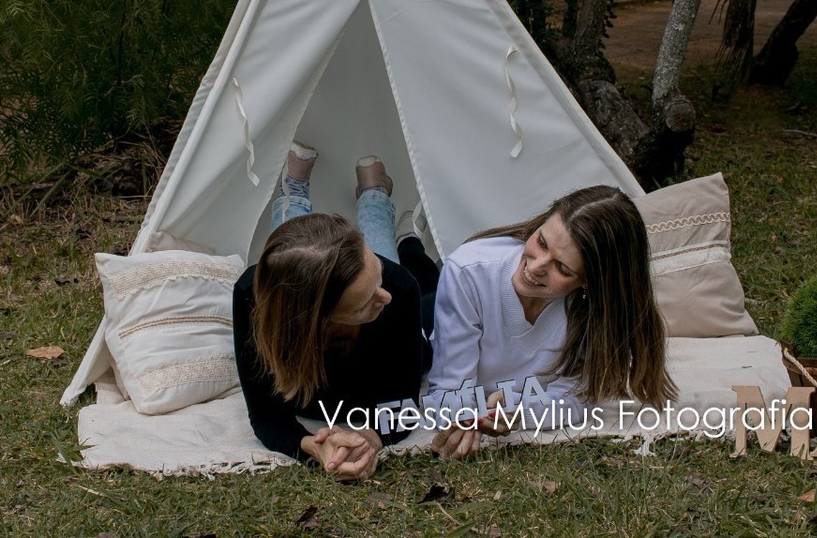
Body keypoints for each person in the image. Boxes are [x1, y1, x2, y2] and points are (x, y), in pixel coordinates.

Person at [232, 142, 439, 481]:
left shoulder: (397, 289)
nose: (384, 298)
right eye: (365, 302)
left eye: (376, 279)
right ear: (317, 320)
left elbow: (401, 406)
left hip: (383, 285)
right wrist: (312, 447)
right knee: (292, 256)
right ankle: (295, 193)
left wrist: (370, 439)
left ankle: (374, 196)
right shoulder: (253, 298)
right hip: (303, 319)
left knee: (385, 259)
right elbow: (266, 414)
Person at [426, 185, 676, 459]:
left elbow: (578, 398)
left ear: (589, 283)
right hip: (428, 313)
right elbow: (449, 387)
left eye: (562, 268)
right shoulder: (467, 271)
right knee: (409, 279)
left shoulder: (593, 313)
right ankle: (395, 222)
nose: (535, 267)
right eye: (542, 242)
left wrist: (521, 410)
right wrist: (462, 420)